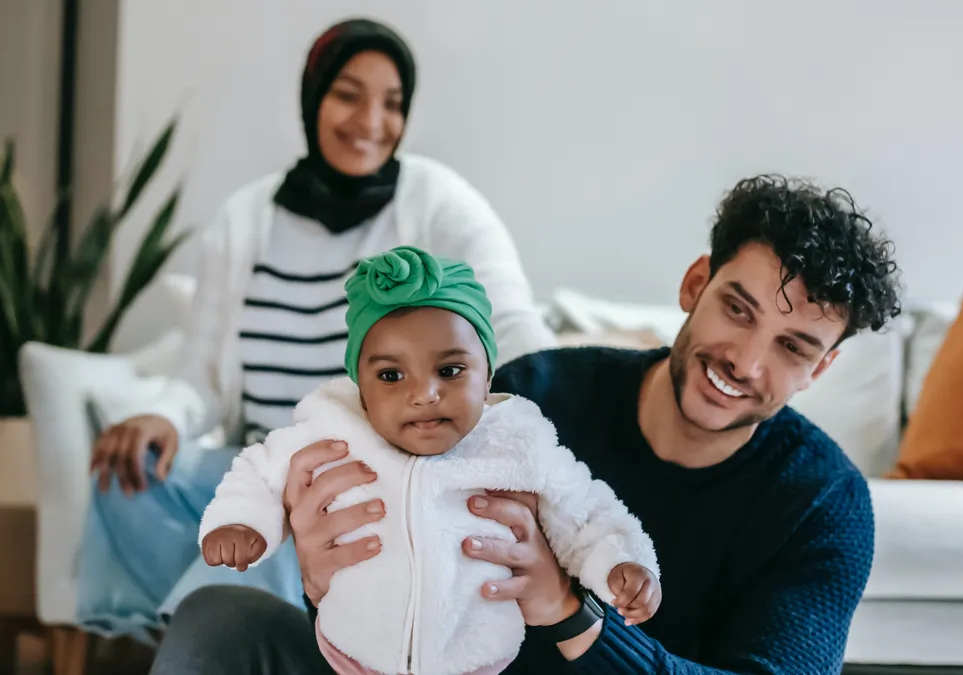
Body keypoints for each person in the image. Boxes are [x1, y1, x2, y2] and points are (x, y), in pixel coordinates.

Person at [149, 174, 904, 675]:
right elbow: (406, 551)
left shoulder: (822, 504)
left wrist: (568, 611)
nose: (743, 359)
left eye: (793, 345)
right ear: (695, 284)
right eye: (737, 309)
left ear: (822, 368)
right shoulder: (536, 398)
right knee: (218, 621)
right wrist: (325, 578)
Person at [76, 18, 555, 644]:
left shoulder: (440, 203)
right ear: (314, 97)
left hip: (377, 471)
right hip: (260, 460)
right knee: (132, 476)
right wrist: (162, 415)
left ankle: (217, 629)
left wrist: (552, 413)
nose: (370, 121)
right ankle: (232, 616)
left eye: (392, 104)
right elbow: (201, 378)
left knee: (302, 509)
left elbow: (514, 330)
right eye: (348, 94)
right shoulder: (244, 220)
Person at [199, 245, 661, 675]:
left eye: (450, 370)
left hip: (475, 661)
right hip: (351, 654)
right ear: (360, 386)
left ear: (487, 377)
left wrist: (620, 565)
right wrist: (242, 523)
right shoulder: (331, 429)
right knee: (209, 617)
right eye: (391, 375)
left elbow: (586, 512)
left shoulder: (519, 442)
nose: (424, 394)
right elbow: (260, 469)